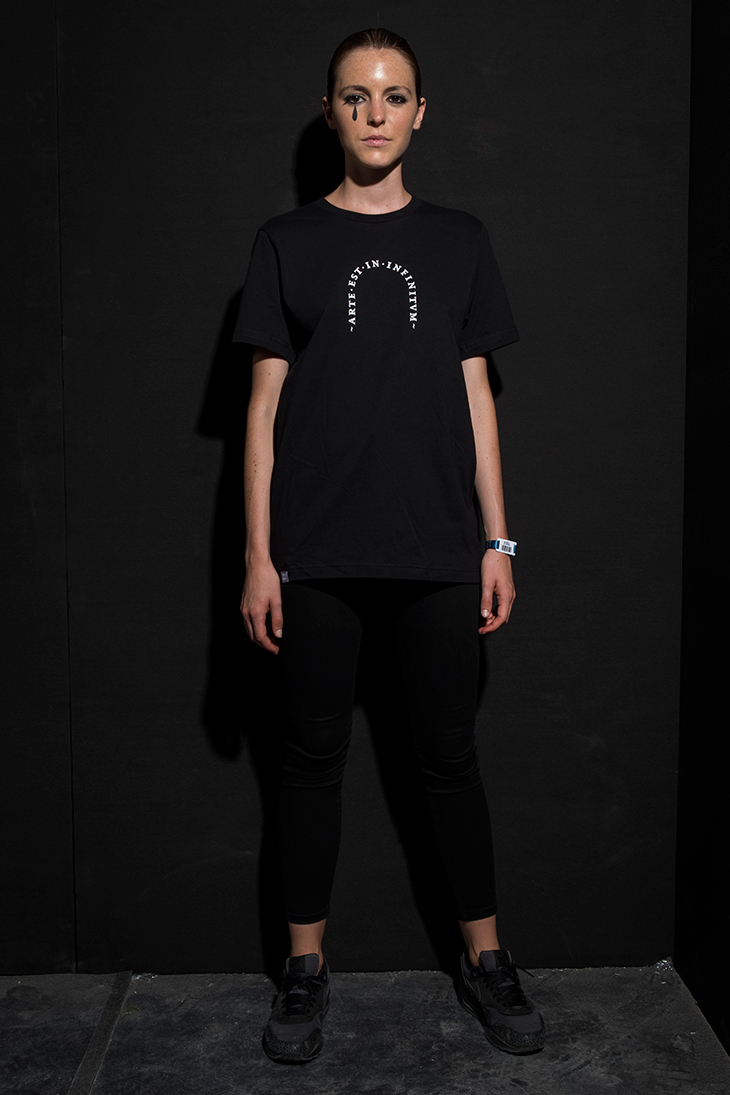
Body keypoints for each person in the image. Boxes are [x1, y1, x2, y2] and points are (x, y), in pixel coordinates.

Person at [234, 27, 544, 1063]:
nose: (375, 113)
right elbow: (262, 410)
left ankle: (487, 960)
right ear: (329, 112)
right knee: (308, 761)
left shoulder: (460, 239)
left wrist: (498, 538)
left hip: (438, 547)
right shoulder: (286, 242)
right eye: (356, 96)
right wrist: (258, 556)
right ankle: (303, 970)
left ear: (421, 113)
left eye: (394, 95)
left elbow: (477, 396)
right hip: (317, 549)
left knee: (448, 759)